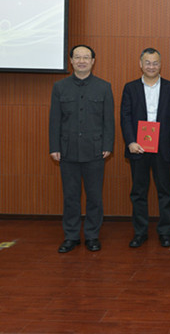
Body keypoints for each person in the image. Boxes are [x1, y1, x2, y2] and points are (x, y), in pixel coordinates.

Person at [49, 45, 115, 253]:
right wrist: (54, 147)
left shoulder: (104, 87)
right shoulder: (60, 87)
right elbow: (54, 120)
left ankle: (92, 236)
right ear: (71, 61)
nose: (82, 61)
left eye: (86, 57)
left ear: (93, 61)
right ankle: (71, 236)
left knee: (94, 197)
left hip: (95, 150)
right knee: (71, 197)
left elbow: (108, 120)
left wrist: (108, 145)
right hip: (67, 151)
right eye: (77, 57)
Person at [120, 48, 170, 248]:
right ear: (141, 64)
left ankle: (165, 232)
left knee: (165, 192)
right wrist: (130, 142)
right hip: (138, 147)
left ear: (160, 64)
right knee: (138, 192)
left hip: (164, 148)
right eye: (148, 62)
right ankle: (140, 232)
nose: (151, 66)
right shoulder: (130, 88)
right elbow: (125, 117)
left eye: (155, 63)